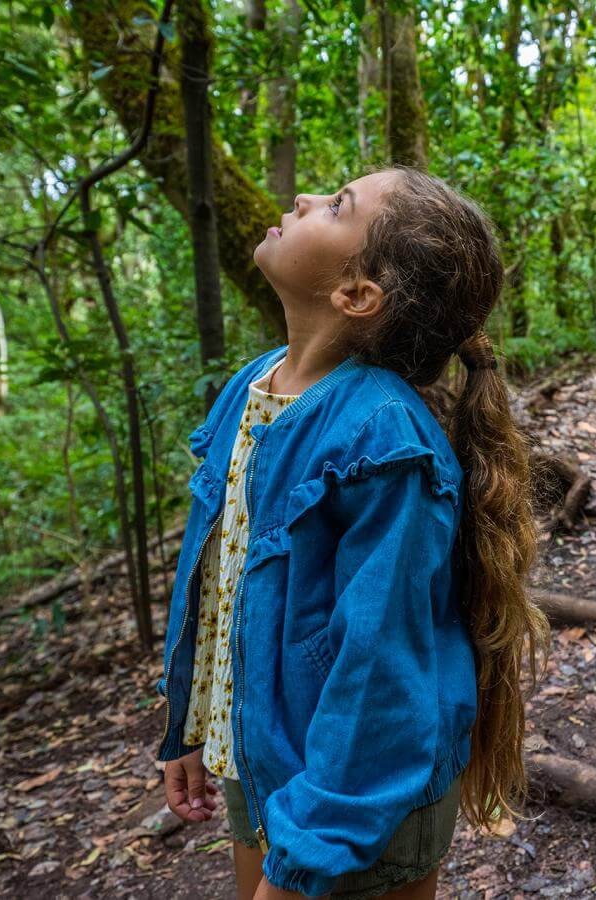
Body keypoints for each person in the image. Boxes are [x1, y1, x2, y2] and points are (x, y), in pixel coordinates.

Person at [155, 167, 551, 900]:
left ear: (357, 293)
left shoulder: (380, 435)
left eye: (336, 206)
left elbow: (380, 670)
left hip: (356, 797)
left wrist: (310, 847)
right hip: (266, 756)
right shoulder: (252, 385)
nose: (305, 199)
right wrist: (184, 726)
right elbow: (212, 581)